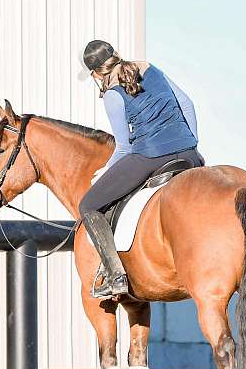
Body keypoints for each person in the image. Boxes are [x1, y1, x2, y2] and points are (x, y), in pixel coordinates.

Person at [79, 40, 204, 298]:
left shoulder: (113, 95)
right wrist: (191, 142)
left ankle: (115, 275)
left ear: (95, 74)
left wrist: (105, 171)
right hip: (190, 152)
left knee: (88, 205)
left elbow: (124, 147)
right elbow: (188, 105)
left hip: (151, 156)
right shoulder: (150, 68)